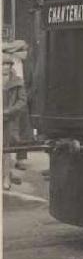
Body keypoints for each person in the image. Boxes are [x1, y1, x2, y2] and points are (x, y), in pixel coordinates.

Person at [3, 54, 27, 189]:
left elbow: (22, 101)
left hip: (9, 121)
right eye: (2, 64)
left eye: (8, 64)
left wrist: (9, 111)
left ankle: (6, 178)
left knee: (6, 151)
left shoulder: (18, 82)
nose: (5, 67)